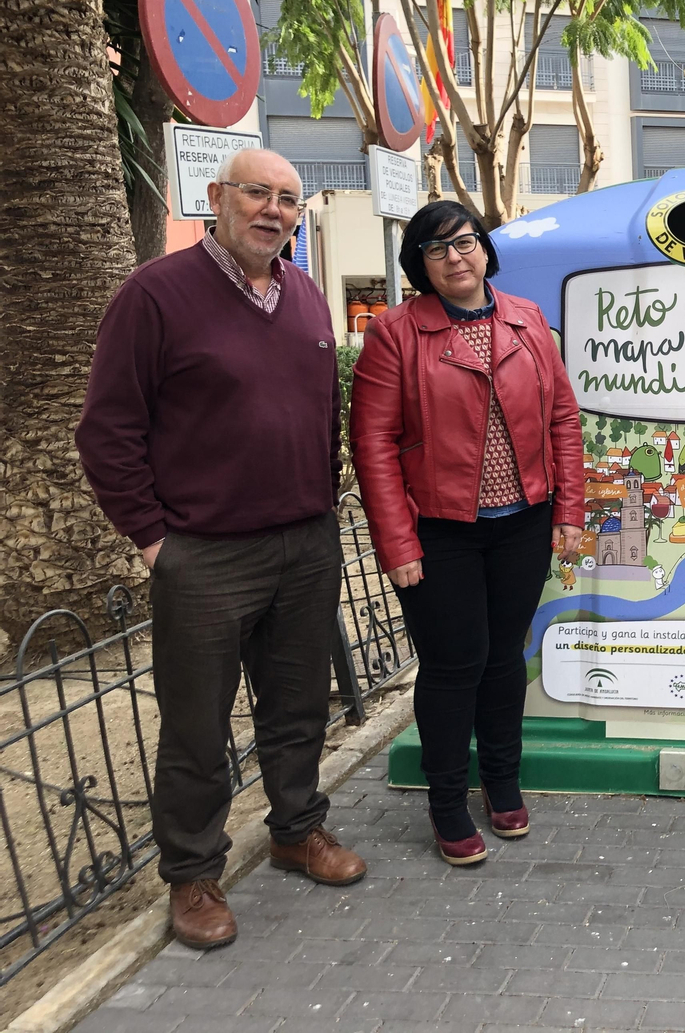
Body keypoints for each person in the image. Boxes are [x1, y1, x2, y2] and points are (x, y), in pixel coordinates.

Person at [76, 149, 366, 951]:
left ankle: (296, 829)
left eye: (287, 199)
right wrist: (152, 541)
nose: (273, 210)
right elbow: (106, 431)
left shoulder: (304, 296)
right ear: (216, 197)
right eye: (257, 194)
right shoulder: (155, 295)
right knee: (198, 726)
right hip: (203, 554)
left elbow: (321, 412)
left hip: (303, 542)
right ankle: (194, 875)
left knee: (298, 703)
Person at [350, 201, 584, 866]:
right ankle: (447, 800)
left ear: (486, 248)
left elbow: (563, 420)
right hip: (439, 531)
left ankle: (502, 780)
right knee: (455, 666)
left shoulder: (527, 319)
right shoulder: (396, 333)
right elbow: (373, 445)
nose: (455, 257)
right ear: (418, 265)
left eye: (465, 242)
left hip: (524, 523)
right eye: (436, 249)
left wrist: (567, 511)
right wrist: (398, 544)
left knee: (504, 657)